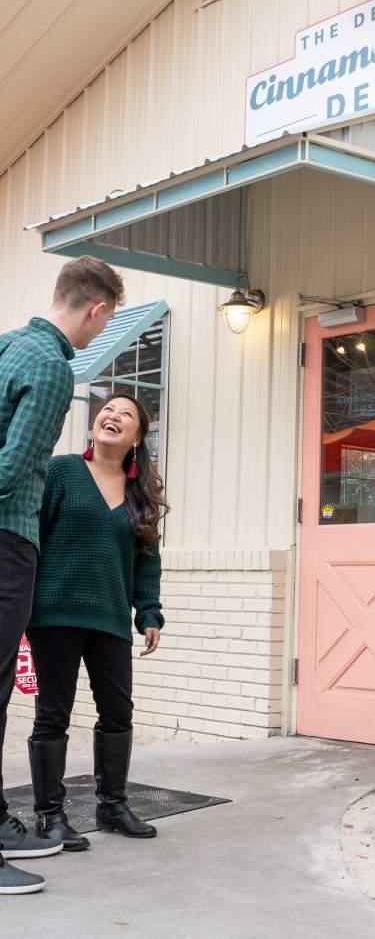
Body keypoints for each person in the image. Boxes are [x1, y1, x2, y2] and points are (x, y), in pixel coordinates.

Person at [0, 256, 124, 894]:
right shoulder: (51, 366)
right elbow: (14, 469)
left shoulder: (7, 347)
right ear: (97, 310)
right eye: (102, 325)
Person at [27, 393, 169, 853]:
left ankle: (112, 805)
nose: (113, 416)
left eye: (126, 414)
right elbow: (31, 537)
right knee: (53, 713)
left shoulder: (139, 493)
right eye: (108, 410)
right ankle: (50, 816)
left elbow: (147, 559)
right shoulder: (62, 471)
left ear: (137, 437)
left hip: (109, 616)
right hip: (55, 614)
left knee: (118, 712)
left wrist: (148, 612)